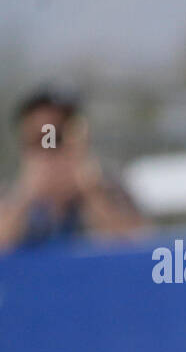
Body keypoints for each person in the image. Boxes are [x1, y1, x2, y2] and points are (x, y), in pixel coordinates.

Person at [0, 88, 146, 252]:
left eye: (57, 137)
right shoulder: (11, 197)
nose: (50, 148)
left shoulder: (108, 188)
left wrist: (90, 190)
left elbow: (137, 246)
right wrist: (24, 198)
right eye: (39, 140)